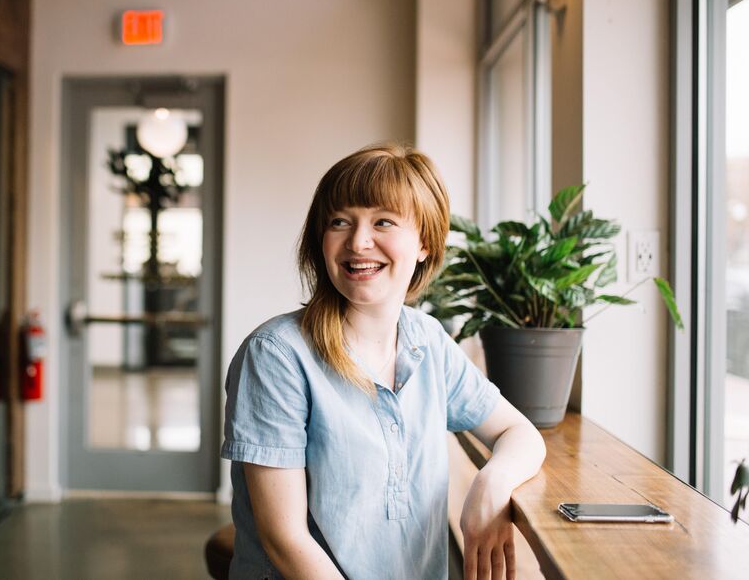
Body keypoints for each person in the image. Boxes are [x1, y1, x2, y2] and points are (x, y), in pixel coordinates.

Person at [222, 142, 546, 580]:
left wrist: (492, 483)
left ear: (424, 244)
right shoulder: (276, 355)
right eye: (340, 222)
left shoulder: (427, 340)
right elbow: (286, 541)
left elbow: (519, 432)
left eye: (383, 222)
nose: (358, 242)